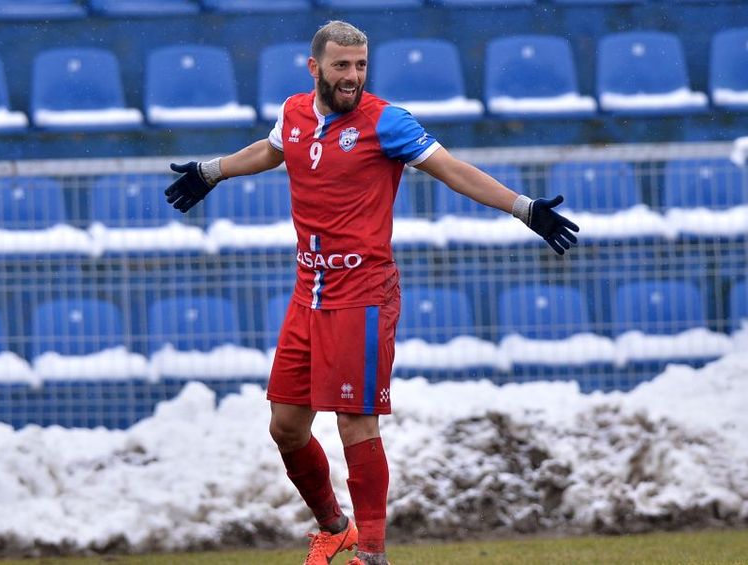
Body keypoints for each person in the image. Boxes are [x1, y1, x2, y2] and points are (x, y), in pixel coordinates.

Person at [164, 20, 579, 565]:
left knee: (355, 421)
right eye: (341, 66)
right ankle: (335, 528)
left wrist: (523, 207)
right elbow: (274, 150)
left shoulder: (387, 122)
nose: (352, 77)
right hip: (308, 289)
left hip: (362, 290)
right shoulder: (294, 112)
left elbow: (452, 170)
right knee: (286, 427)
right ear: (315, 68)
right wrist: (211, 171)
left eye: (360, 66)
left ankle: (373, 555)